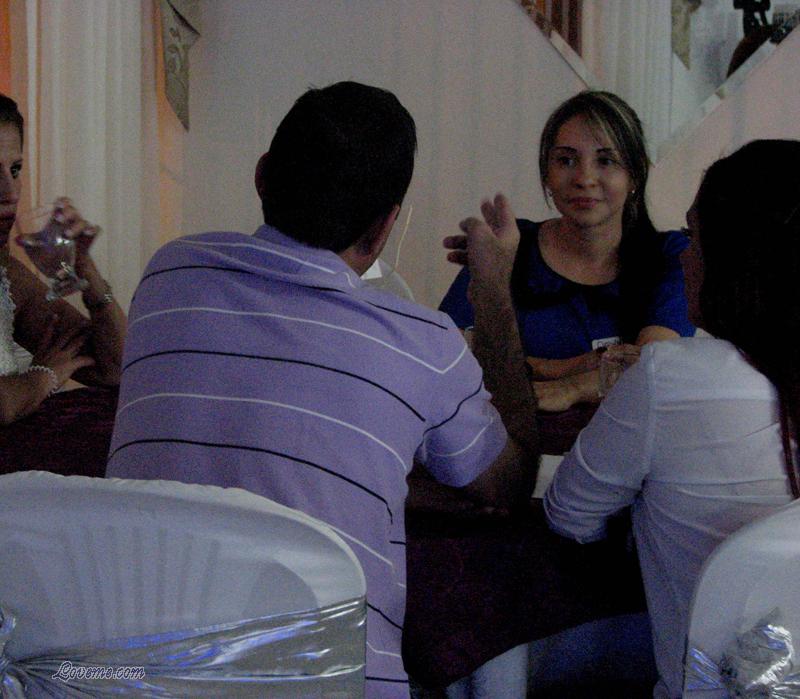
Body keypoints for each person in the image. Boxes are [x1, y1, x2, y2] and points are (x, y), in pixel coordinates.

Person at [107, 81, 538, 697]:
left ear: (262, 176)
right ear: (385, 225)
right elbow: (509, 484)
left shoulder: (170, 274)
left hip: (126, 678)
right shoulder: (421, 344)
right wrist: (493, 291)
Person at [545, 139, 800, 697]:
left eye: (696, 238)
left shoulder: (671, 378)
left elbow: (569, 514)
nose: (684, 255)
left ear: (736, 261)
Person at [439, 90, 693, 412]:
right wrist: (580, 365)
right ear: (547, 174)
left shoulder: (670, 255)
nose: (584, 179)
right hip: (505, 437)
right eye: (566, 160)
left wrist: (568, 385)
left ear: (635, 175)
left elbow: (652, 370)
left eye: (606, 161)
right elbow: (446, 355)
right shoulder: (510, 245)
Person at [0, 93, 126, 426]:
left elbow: (113, 368)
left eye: (15, 169)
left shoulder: (7, 276)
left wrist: (85, 269)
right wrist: (42, 378)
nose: (10, 193)